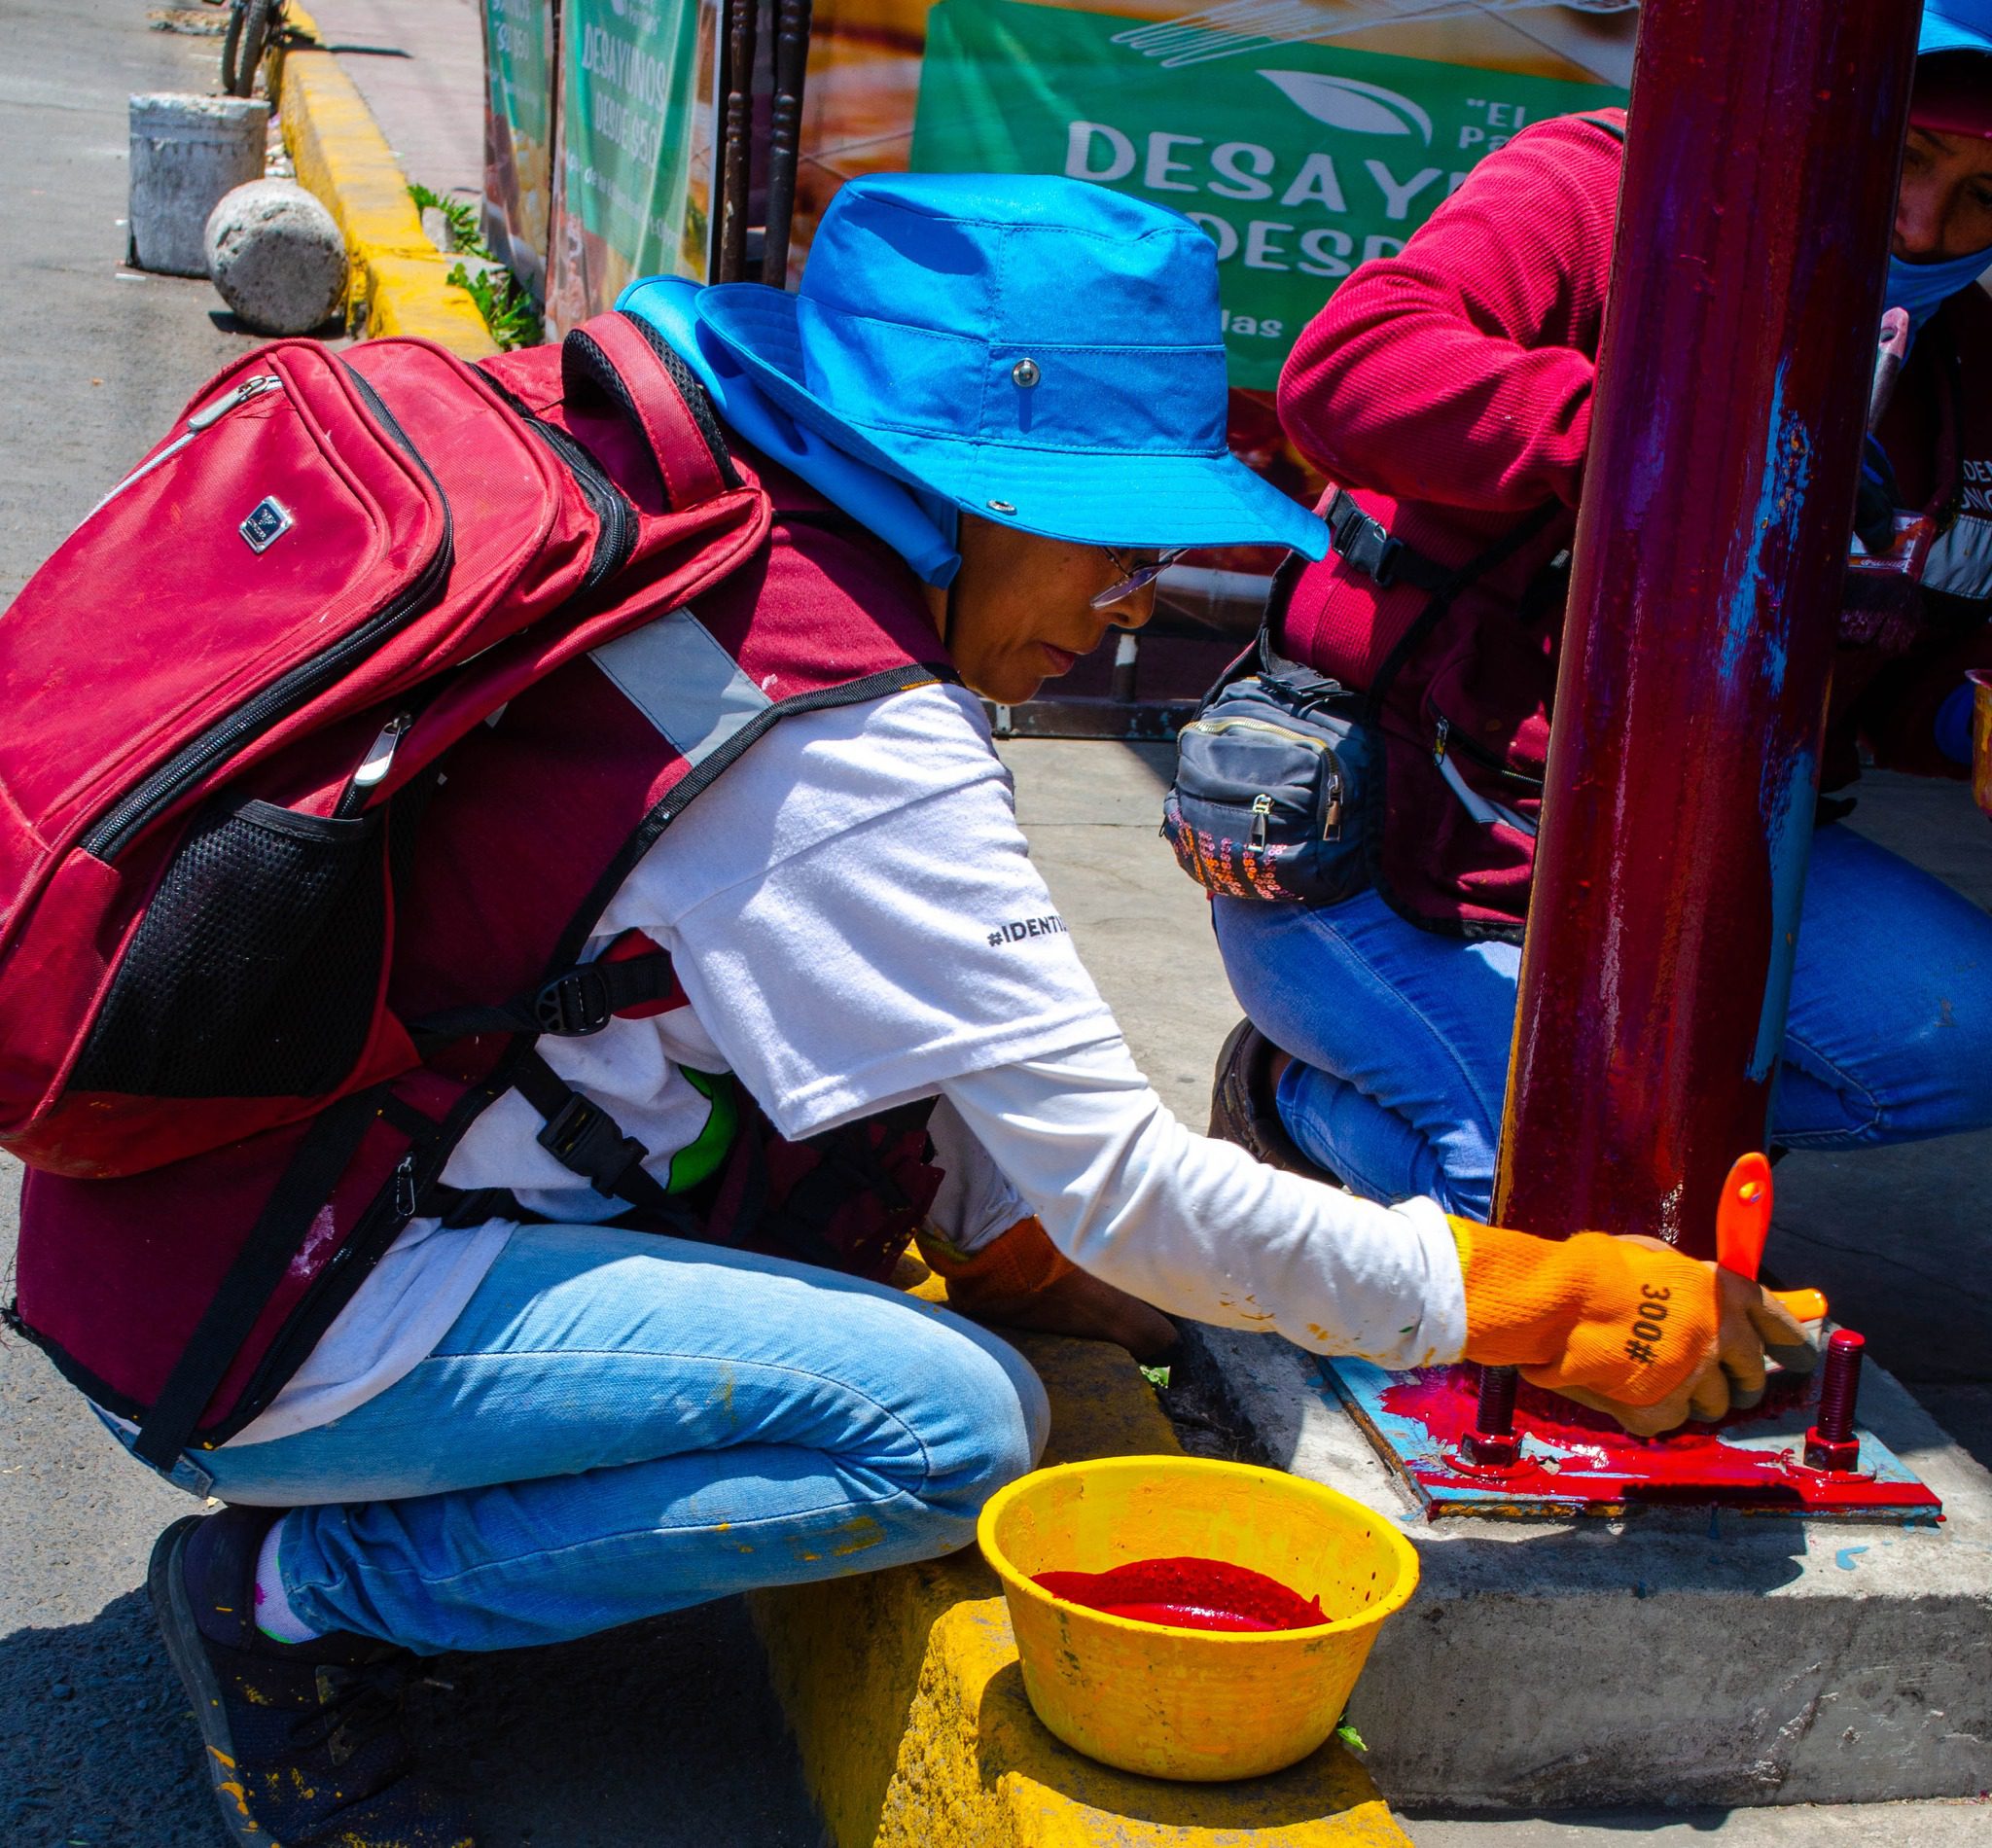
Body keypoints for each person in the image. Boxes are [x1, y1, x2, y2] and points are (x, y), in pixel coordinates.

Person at [11, 175, 1806, 1848]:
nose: (1129, 601)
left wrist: (1085, 1276)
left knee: (938, 1313)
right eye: (1104, 533)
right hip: (280, 1321)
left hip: (185, 1232)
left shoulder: (716, 541)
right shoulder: (843, 728)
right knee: (943, 1430)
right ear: (969, 485)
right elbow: (1121, 1189)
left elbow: (933, 1081)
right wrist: (1525, 1297)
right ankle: (296, 1604)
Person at [1212, 3, 1992, 1221]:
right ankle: (1292, 1098)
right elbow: (1343, 370)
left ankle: (1605, 1129)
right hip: (1392, 835)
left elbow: (1881, 657)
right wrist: (1669, 433)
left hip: (1693, 858)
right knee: (1554, 1220)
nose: (1923, 227)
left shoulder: (1961, 368)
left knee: (1962, 1036)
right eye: (1902, 159)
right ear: (1830, 128)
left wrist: (1958, 720)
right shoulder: (1603, 190)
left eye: (1983, 198)